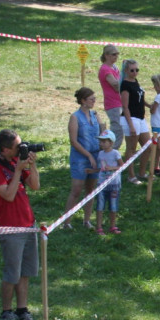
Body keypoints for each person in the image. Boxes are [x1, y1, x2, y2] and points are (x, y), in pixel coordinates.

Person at [0, 129, 41, 320]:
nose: (21, 148)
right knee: (12, 272)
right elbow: (7, 195)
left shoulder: (15, 162)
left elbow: (35, 186)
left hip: (28, 224)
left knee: (26, 272)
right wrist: (17, 170)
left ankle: (22, 309)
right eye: (17, 146)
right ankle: (6, 310)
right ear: (5, 148)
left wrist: (31, 166)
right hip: (10, 227)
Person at [65, 87, 103, 229]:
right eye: (91, 99)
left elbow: (102, 132)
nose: (94, 101)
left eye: (95, 98)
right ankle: (67, 221)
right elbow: (73, 141)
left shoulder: (94, 115)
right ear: (83, 101)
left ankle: (86, 220)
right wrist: (88, 155)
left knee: (90, 189)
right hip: (80, 158)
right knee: (76, 189)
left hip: (95, 155)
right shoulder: (75, 117)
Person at [118, 59, 151, 184]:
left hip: (140, 118)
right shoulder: (125, 85)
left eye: (137, 70)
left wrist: (149, 106)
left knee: (147, 146)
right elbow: (125, 107)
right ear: (126, 71)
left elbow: (140, 99)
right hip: (130, 119)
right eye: (132, 70)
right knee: (131, 149)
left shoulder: (135, 82)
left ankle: (142, 173)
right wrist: (131, 125)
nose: (135, 72)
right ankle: (131, 176)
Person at [91, 130, 123, 235]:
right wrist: (92, 170)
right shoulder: (100, 154)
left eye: (104, 141)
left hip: (114, 185)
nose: (101, 143)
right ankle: (99, 227)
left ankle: (113, 226)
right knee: (100, 206)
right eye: (100, 141)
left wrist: (112, 168)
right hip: (102, 184)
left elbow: (122, 166)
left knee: (113, 206)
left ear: (111, 143)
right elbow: (101, 168)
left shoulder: (115, 153)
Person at [98, 44, 124, 150]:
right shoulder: (105, 69)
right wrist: (124, 75)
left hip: (119, 103)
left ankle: (111, 152)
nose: (116, 56)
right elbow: (116, 86)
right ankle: (110, 152)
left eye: (117, 54)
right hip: (112, 104)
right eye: (114, 54)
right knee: (117, 130)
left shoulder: (114, 67)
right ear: (107, 55)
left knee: (119, 129)